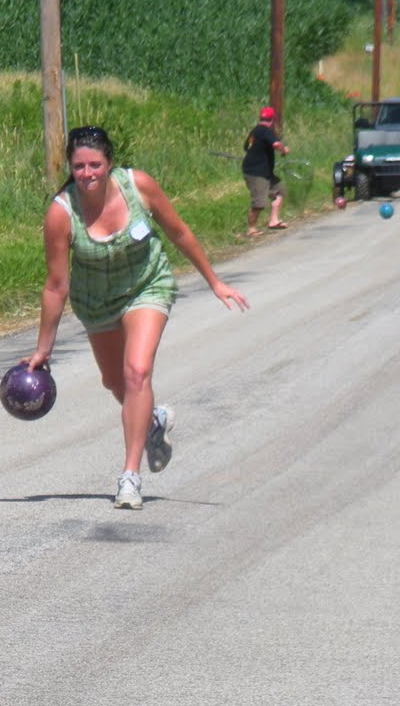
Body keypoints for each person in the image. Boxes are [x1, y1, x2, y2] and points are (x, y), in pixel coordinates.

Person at [26, 125, 249, 510]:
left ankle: (130, 477)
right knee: (115, 382)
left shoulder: (138, 186)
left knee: (136, 372)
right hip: (97, 301)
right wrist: (43, 349)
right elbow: (56, 285)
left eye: (95, 164)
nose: (87, 173)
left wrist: (214, 282)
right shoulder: (61, 214)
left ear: (109, 163)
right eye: (79, 167)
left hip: (148, 285)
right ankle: (152, 422)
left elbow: (178, 232)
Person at [242, 106, 289, 236]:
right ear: (272, 120)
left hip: (264, 171)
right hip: (256, 173)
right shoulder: (266, 131)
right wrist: (284, 150)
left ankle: (273, 221)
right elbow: (276, 144)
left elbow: (247, 147)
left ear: (261, 118)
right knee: (259, 202)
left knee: (280, 190)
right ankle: (251, 229)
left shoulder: (255, 131)